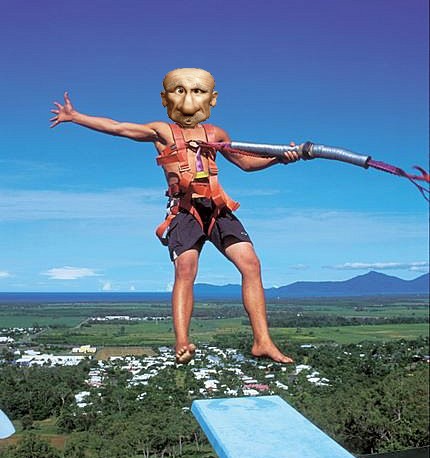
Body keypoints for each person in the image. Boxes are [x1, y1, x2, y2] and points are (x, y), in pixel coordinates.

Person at [51, 68, 299, 364]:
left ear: (210, 99)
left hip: (216, 207)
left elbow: (245, 162)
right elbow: (118, 127)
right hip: (184, 210)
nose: (189, 99)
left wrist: (279, 159)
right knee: (186, 269)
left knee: (251, 263)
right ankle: (182, 342)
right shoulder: (162, 131)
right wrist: (76, 117)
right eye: (181, 91)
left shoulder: (216, 134)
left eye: (197, 92)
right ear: (168, 99)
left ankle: (262, 341)